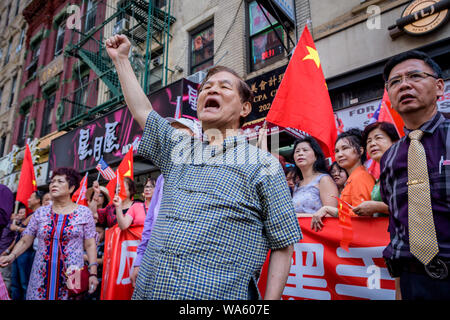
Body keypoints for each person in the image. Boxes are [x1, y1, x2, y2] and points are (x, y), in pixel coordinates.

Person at [106, 34, 301, 300]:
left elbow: (283, 245)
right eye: (206, 87)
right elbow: (143, 112)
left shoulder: (264, 165)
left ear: (245, 108)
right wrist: (122, 60)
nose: (211, 90)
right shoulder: (179, 150)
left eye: (224, 87)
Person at [379, 50, 449, 299]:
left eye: (415, 76)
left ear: (439, 87)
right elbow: (398, 225)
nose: (404, 85)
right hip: (413, 281)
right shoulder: (389, 157)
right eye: (395, 82)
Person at [0, 167, 98, 300]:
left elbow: (90, 244)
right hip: (41, 275)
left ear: (71, 188)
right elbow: (25, 240)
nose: (54, 184)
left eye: (60, 181)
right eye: (52, 182)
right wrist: (12, 255)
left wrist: (93, 272)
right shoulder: (40, 213)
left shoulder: (84, 213)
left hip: (73, 276)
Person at [130, 117, 199, 288]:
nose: (173, 136)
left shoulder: (204, 171)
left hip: (189, 264)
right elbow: (150, 222)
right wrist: (139, 260)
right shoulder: (161, 179)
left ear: (195, 137)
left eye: (180, 130)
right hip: (157, 258)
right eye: (170, 132)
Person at [311, 129, 375, 231]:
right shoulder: (353, 178)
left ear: (361, 151)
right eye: (336, 151)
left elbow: (363, 216)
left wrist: (328, 209)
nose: (339, 154)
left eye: (345, 148)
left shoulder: (361, 177)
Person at [352, 122, 400, 217]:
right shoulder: (382, 175)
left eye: (378, 138)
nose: (372, 144)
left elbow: (413, 207)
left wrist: (377, 207)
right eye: (368, 141)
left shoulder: (402, 169)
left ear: (395, 142)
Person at [291, 137, 338, 215]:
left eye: (305, 150)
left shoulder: (324, 180)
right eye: (297, 151)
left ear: (316, 156)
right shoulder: (297, 185)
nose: (300, 153)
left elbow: (331, 215)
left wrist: (298, 216)